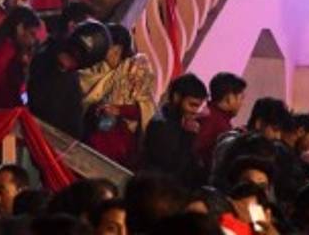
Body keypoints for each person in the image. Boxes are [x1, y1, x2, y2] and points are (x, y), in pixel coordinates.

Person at [79, 23, 156, 168]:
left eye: (116, 49)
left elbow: (144, 109)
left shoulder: (135, 68)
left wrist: (119, 110)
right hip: (87, 129)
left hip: (121, 141)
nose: (113, 53)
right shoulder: (92, 65)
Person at [28, 20, 110, 138]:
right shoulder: (37, 48)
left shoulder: (70, 91)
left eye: (76, 60)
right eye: (71, 51)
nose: (66, 63)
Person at [142, 73, 208, 188]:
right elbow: (171, 165)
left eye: (198, 106)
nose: (195, 111)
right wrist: (188, 136)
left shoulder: (178, 122)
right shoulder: (162, 123)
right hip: (154, 186)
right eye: (192, 105)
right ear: (177, 97)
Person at [195, 72, 247, 172]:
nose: (242, 104)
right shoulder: (214, 121)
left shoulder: (208, 113)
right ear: (229, 98)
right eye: (241, 98)